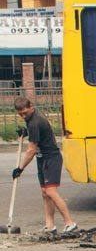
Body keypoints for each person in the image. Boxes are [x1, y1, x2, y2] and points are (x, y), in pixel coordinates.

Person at [13, 97, 77, 234]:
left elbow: (31, 150)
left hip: (51, 158)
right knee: (45, 193)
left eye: (25, 112)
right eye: (20, 114)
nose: (24, 116)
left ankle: (70, 223)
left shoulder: (35, 122)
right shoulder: (31, 119)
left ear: (31, 106)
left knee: (51, 192)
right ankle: (50, 226)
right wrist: (26, 132)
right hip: (42, 159)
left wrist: (20, 168)